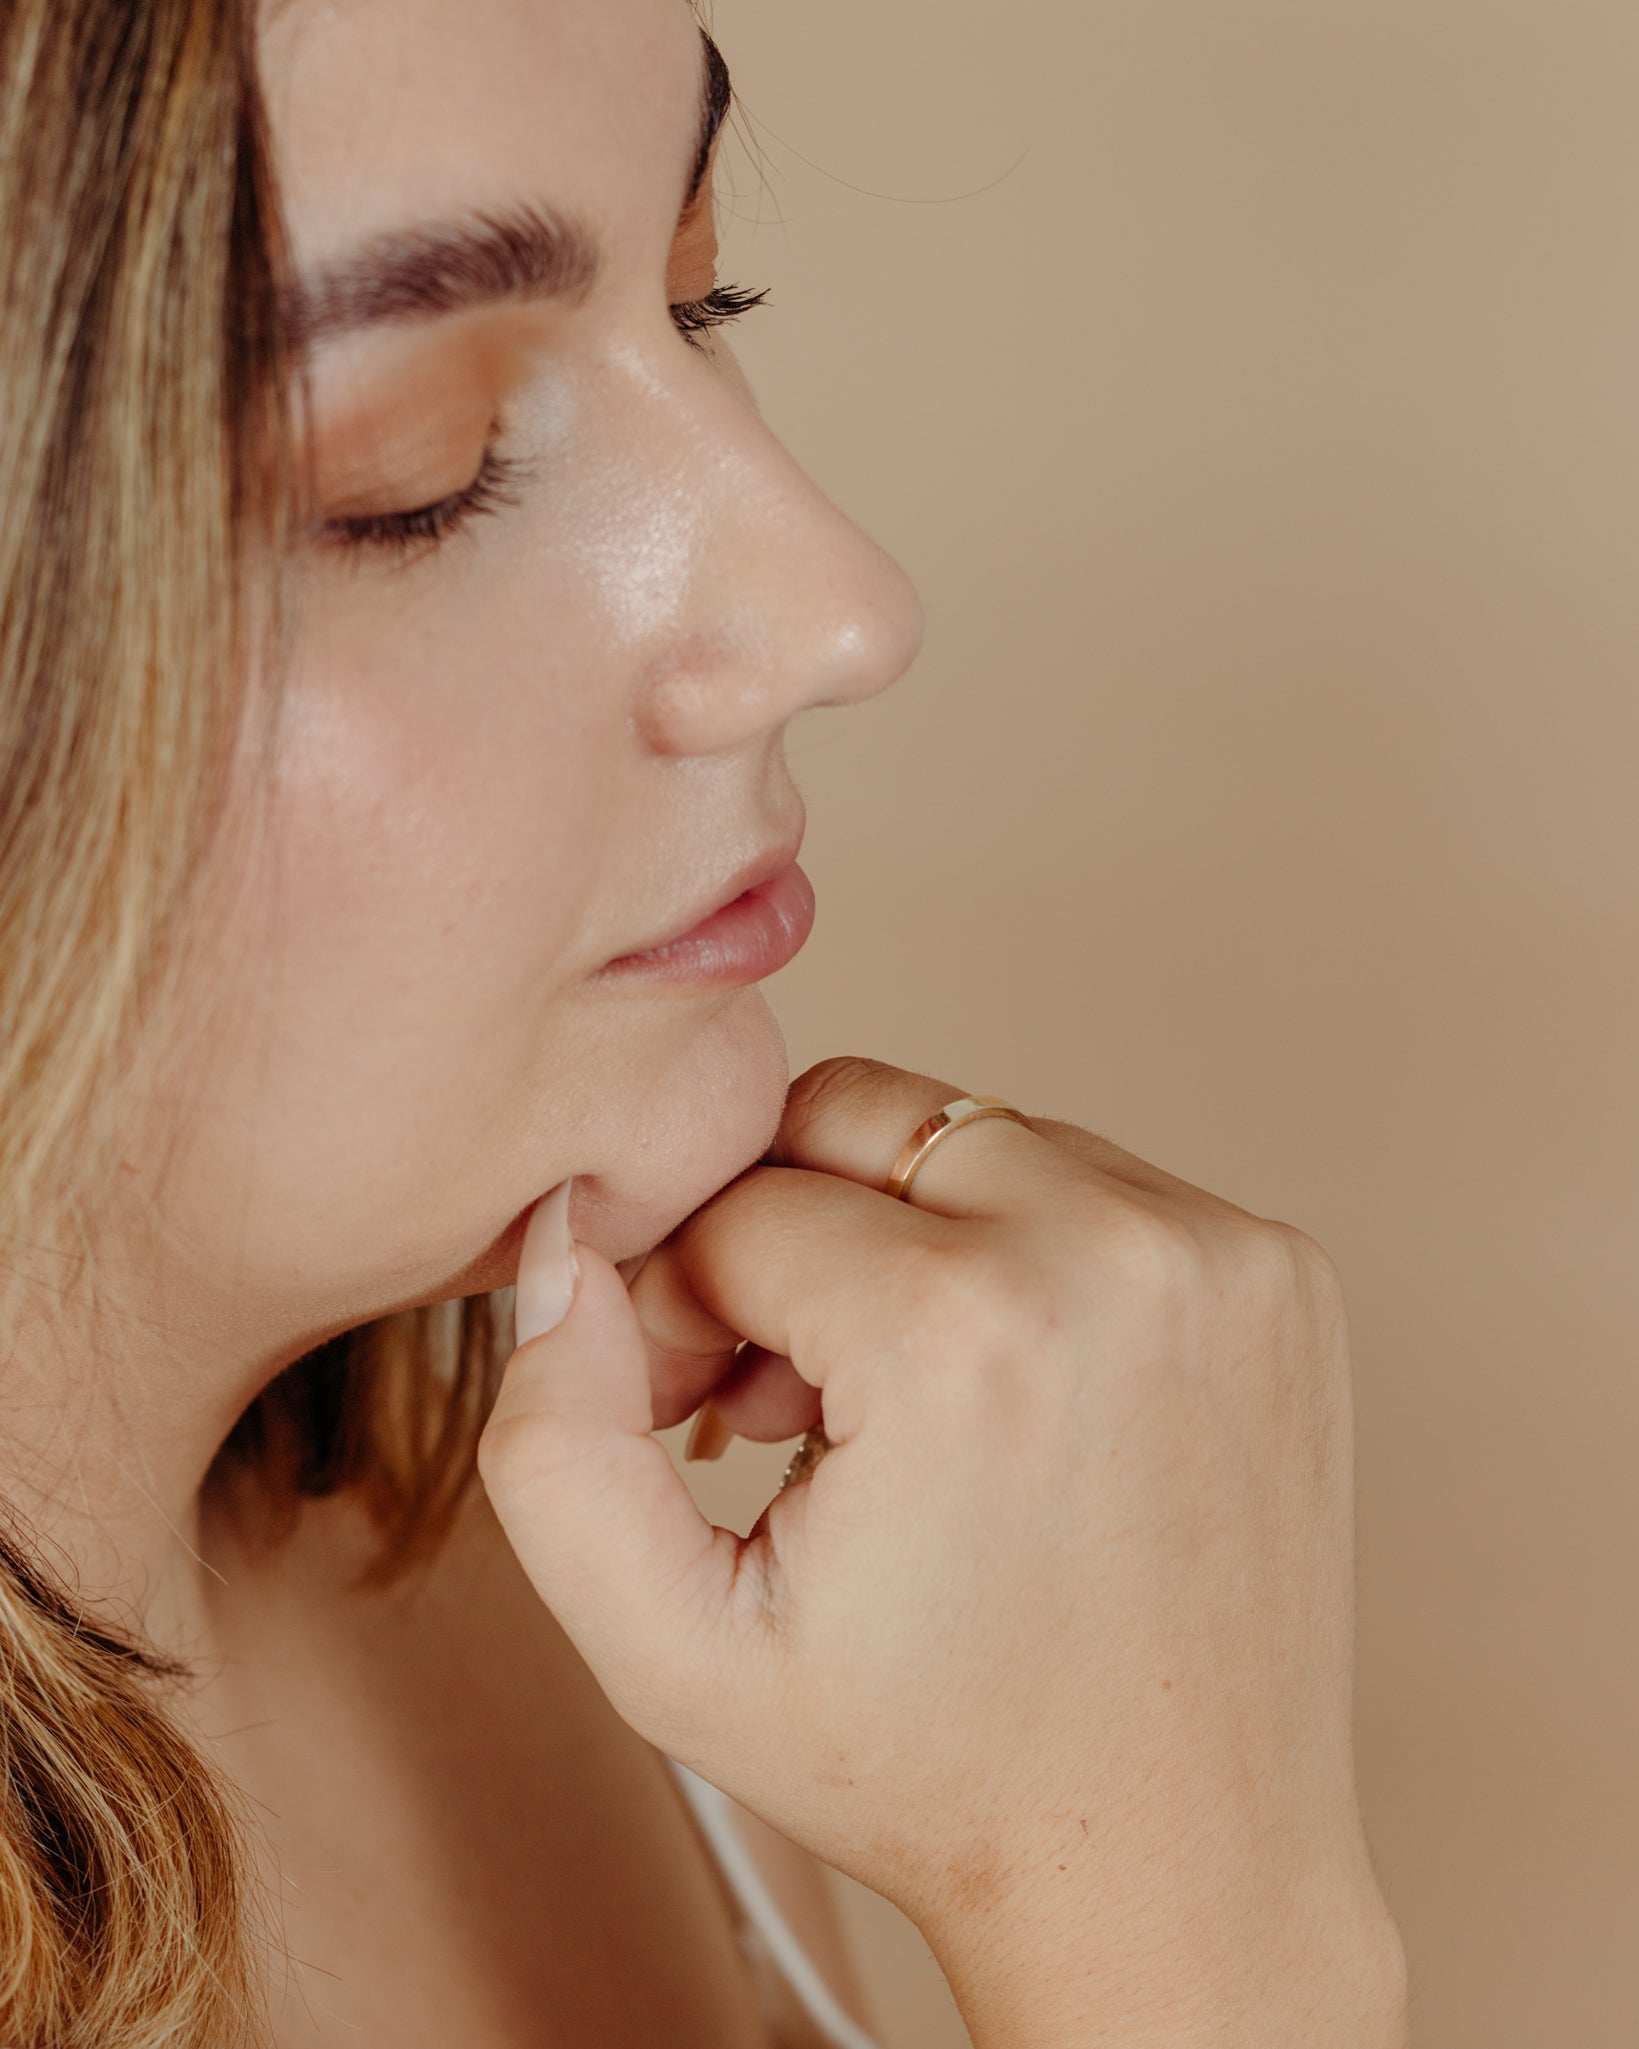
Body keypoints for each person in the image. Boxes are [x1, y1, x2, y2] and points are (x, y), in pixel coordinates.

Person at [0, 0, 1409, 2043]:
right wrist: (1197, 1942)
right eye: (425, 469)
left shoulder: (529, 1517)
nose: (846, 604)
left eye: (701, 289)